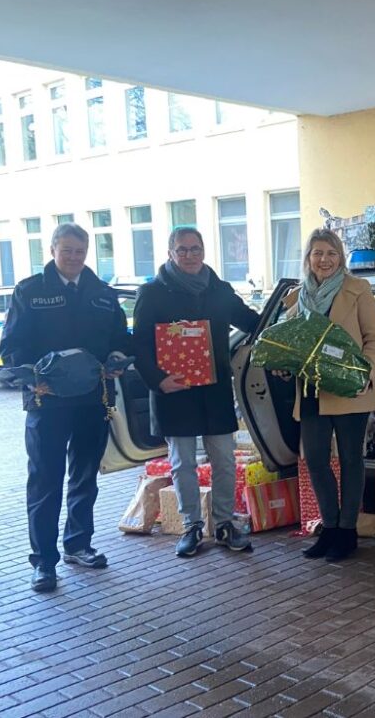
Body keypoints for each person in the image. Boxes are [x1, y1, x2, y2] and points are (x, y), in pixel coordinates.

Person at [0, 223, 132, 593]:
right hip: (48, 401)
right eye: (67, 250)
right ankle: (44, 562)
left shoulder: (103, 293)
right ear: (53, 250)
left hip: (93, 399)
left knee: (85, 477)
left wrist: (118, 359)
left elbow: (120, 339)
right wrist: (31, 379)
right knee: (46, 481)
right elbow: (11, 346)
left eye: (80, 251)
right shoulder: (29, 291)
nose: (74, 257)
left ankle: (78, 544)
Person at [132, 226, 259, 557]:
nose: (189, 255)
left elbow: (251, 322)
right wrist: (158, 380)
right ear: (170, 253)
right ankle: (191, 527)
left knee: (225, 461)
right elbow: (139, 345)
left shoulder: (219, 290)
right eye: (182, 250)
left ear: (203, 251)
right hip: (174, 391)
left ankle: (224, 524)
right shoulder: (152, 293)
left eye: (195, 249)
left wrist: (285, 319)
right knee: (182, 464)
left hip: (214, 391)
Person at [282, 228, 375, 562]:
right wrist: (284, 363)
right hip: (312, 390)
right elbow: (291, 343)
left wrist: (365, 373)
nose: (324, 260)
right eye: (317, 253)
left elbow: (374, 338)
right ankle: (329, 527)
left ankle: (347, 531)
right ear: (308, 258)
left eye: (331, 253)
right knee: (315, 459)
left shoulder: (357, 289)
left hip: (349, 388)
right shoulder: (298, 297)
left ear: (340, 257)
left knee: (351, 460)